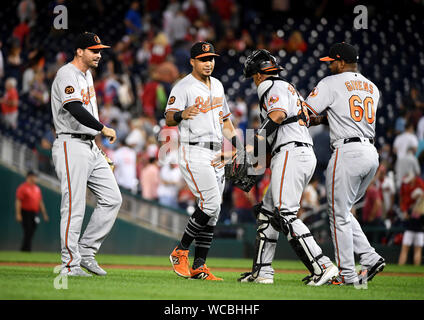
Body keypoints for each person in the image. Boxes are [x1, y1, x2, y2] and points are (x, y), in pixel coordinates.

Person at [228, 49, 338, 286]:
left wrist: (253, 145)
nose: (254, 80)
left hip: (292, 151)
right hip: (293, 151)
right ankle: (262, 272)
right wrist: (253, 158)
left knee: (285, 213)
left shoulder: (270, 86)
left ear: (258, 75)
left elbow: (277, 116)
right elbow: (278, 133)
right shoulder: (286, 87)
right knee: (268, 215)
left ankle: (323, 266)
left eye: (254, 76)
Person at [305, 42, 385, 285]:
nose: (329, 65)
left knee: (337, 214)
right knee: (344, 210)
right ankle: (370, 257)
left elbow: (307, 112)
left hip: (347, 151)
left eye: (332, 61)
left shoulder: (331, 82)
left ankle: (348, 275)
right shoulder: (372, 87)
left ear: (341, 62)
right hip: (370, 152)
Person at [50, 32, 122, 277]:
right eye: (94, 50)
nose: (99, 54)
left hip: (88, 145)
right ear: (79, 51)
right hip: (70, 144)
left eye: (100, 50)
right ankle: (69, 264)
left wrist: (96, 143)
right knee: (74, 206)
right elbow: (73, 107)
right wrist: (102, 128)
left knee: (112, 199)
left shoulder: (87, 75)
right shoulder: (66, 74)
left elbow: (84, 118)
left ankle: (86, 252)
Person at [165, 41, 238, 281]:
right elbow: (168, 118)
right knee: (211, 203)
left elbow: (226, 122)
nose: (209, 63)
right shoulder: (183, 86)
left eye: (211, 59)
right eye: (203, 59)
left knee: (213, 212)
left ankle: (199, 266)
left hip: (216, 152)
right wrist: (181, 114)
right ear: (192, 62)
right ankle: (180, 251)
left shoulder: (217, 85)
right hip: (194, 150)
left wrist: (241, 146)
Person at [15, 170, 49, 252]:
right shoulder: (22, 187)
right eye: (34, 176)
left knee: (32, 230)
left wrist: (44, 214)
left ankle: (25, 249)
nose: (35, 178)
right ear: (29, 177)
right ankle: (26, 249)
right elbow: (18, 201)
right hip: (25, 212)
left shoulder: (37, 188)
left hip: (34, 213)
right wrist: (18, 214)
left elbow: (40, 202)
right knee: (28, 230)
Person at [398, 172, 424, 266]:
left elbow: (408, 215)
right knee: (413, 250)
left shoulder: (414, 205)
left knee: (408, 250)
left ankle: (404, 270)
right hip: (417, 228)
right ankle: (402, 270)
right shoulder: (416, 205)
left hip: (414, 228)